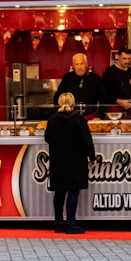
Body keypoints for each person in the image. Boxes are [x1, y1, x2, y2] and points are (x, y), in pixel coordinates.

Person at [43, 92, 96, 235]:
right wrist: (92, 158)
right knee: (73, 191)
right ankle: (71, 223)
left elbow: (47, 138)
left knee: (59, 192)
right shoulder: (78, 119)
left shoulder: (52, 119)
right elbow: (87, 141)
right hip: (76, 160)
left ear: (59, 102)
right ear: (73, 103)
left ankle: (58, 223)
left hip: (58, 160)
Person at [54, 53, 108, 119]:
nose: (79, 67)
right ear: (73, 66)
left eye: (82, 64)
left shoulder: (95, 78)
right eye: (76, 64)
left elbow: (104, 100)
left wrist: (99, 116)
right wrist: (62, 114)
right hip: (70, 117)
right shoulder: (67, 78)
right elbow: (57, 98)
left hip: (90, 117)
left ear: (86, 64)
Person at [102, 48, 131, 118]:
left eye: (129, 58)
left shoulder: (130, 71)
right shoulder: (109, 72)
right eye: (124, 58)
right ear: (118, 56)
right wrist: (119, 101)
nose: (127, 61)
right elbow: (103, 94)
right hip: (113, 110)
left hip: (128, 111)